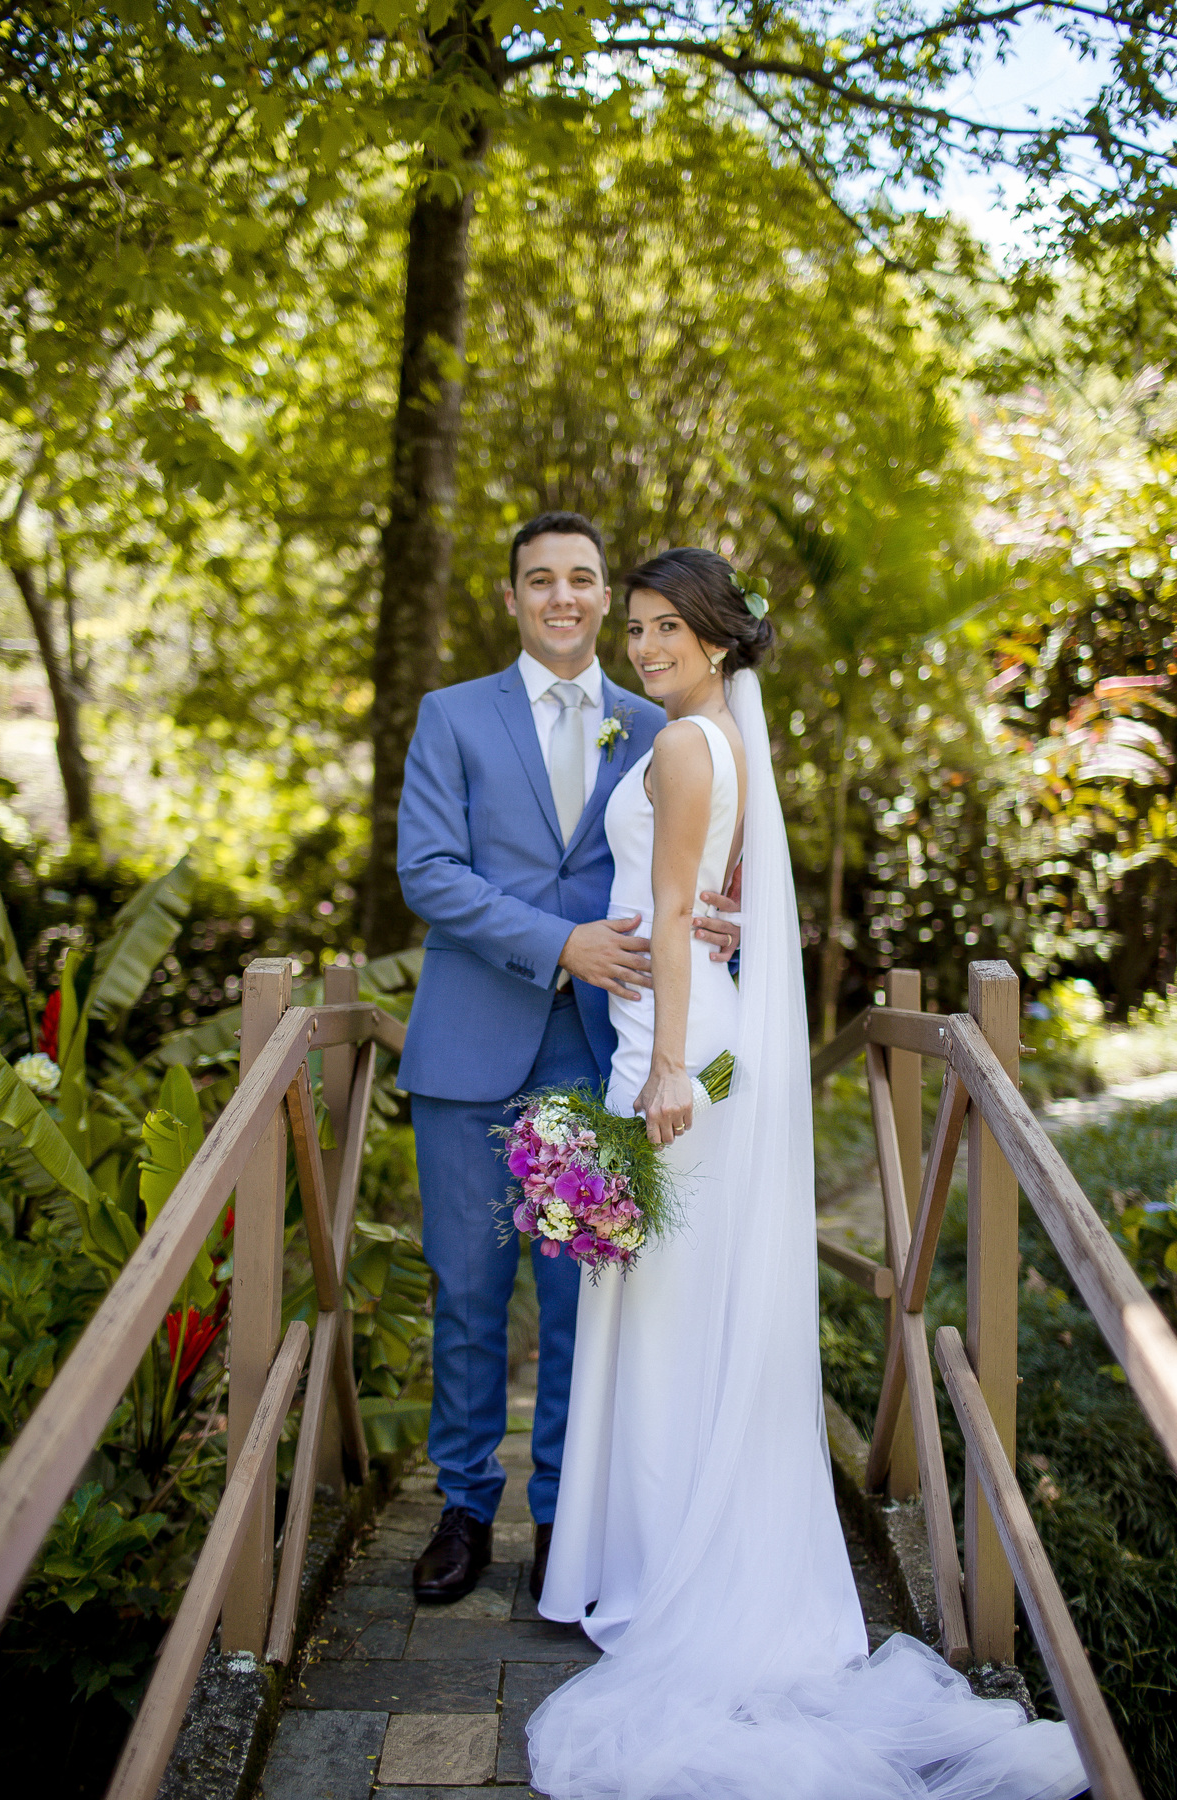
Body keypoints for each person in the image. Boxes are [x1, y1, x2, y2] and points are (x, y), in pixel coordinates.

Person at [529, 549, 1086, 1800]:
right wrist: (684, 971)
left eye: (669, 625)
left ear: (720, 637)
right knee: (679, 1303)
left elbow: (674, 912)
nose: (645, 643)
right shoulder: (717, 738)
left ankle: (662, 1569)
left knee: (665, 1309)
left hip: (674, 1052)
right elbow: (702, 899)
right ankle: (663, 1554)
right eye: (638, 625)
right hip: (692, 1025)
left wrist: (666, 1067)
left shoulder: (684, 744)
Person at [396, 513, 739, 1605]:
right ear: (511, 599)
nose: (563, 597)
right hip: (465, 1047)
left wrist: (721, 924)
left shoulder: (658, 722)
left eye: (582, 580)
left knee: (580, 1295)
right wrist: (558, 942)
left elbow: (685, 867)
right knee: (467, 1290)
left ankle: (561, 1516)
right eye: (539, 580)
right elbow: (428, 872)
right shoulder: (449, 718)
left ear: (604, 600)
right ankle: (463, 1508)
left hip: (597, 1054)